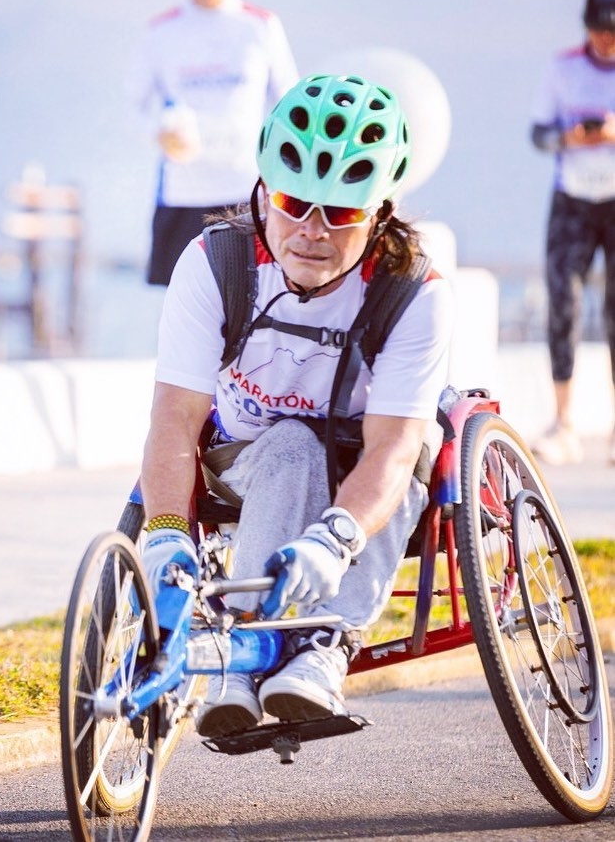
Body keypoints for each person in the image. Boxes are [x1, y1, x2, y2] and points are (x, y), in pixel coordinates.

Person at [139, 73, 453, 737]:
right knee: (289, 443)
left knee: (420, 448)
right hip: (252, 459)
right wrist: (166, 531)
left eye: (339, 212)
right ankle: (239, 655)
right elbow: (173, 418)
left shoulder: (412, 291)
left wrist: (335, 536)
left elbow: (393, 447)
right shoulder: (213, 263)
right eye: (291, 202)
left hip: (365, 468)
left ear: (379, 213)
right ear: (261, 190)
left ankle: (320, 649)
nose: (310, 230)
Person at [125, 0, 298, 287]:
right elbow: (130, 106)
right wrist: (159, 134)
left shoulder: (260, 25)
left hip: (245, 191)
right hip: (183, 192)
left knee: (253, 296)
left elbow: (291, 106)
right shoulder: (161, 30)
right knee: (180, 300)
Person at [530, 0, 615, 466]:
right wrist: (571, 137)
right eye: (600, 31)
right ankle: (563, 422)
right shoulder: (562, 69)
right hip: (573, 199)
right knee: (563, 303)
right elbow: (538, 134)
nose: (607, 40)